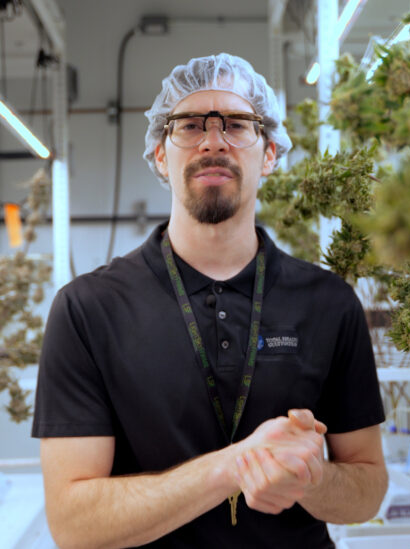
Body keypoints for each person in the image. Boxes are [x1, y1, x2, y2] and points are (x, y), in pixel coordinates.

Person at [32, 53, 388, 549]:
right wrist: (238, 465)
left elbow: (368, 490)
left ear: (268, 154)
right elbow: (73, 524)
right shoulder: (89, 309)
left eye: (238, 124)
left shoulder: (329, 303)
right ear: (160, 153)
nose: (213, 140)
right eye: (190, 124)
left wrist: (311, 476)